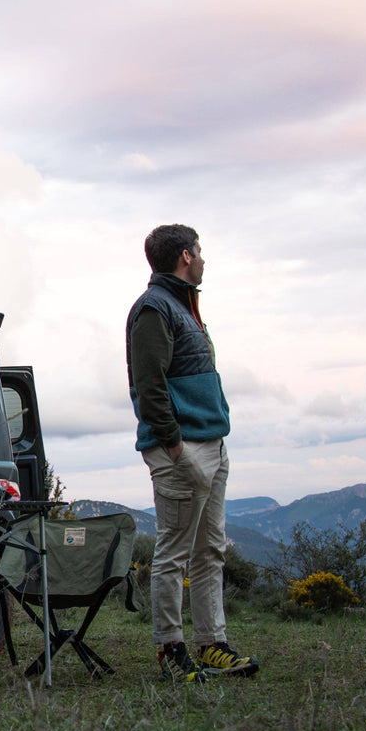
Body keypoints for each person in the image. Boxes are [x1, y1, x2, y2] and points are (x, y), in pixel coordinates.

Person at [125, 224, 259, 683]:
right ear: (185, 256)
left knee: (210, 552)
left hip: (211, 445)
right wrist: (174, 444)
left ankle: (212, 644)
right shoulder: (154, 308)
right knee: (174, 554)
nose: (203, 259)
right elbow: (148, 381)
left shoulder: (183, 306)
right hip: (182, 450)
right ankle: (171, 647)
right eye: (199, 251)